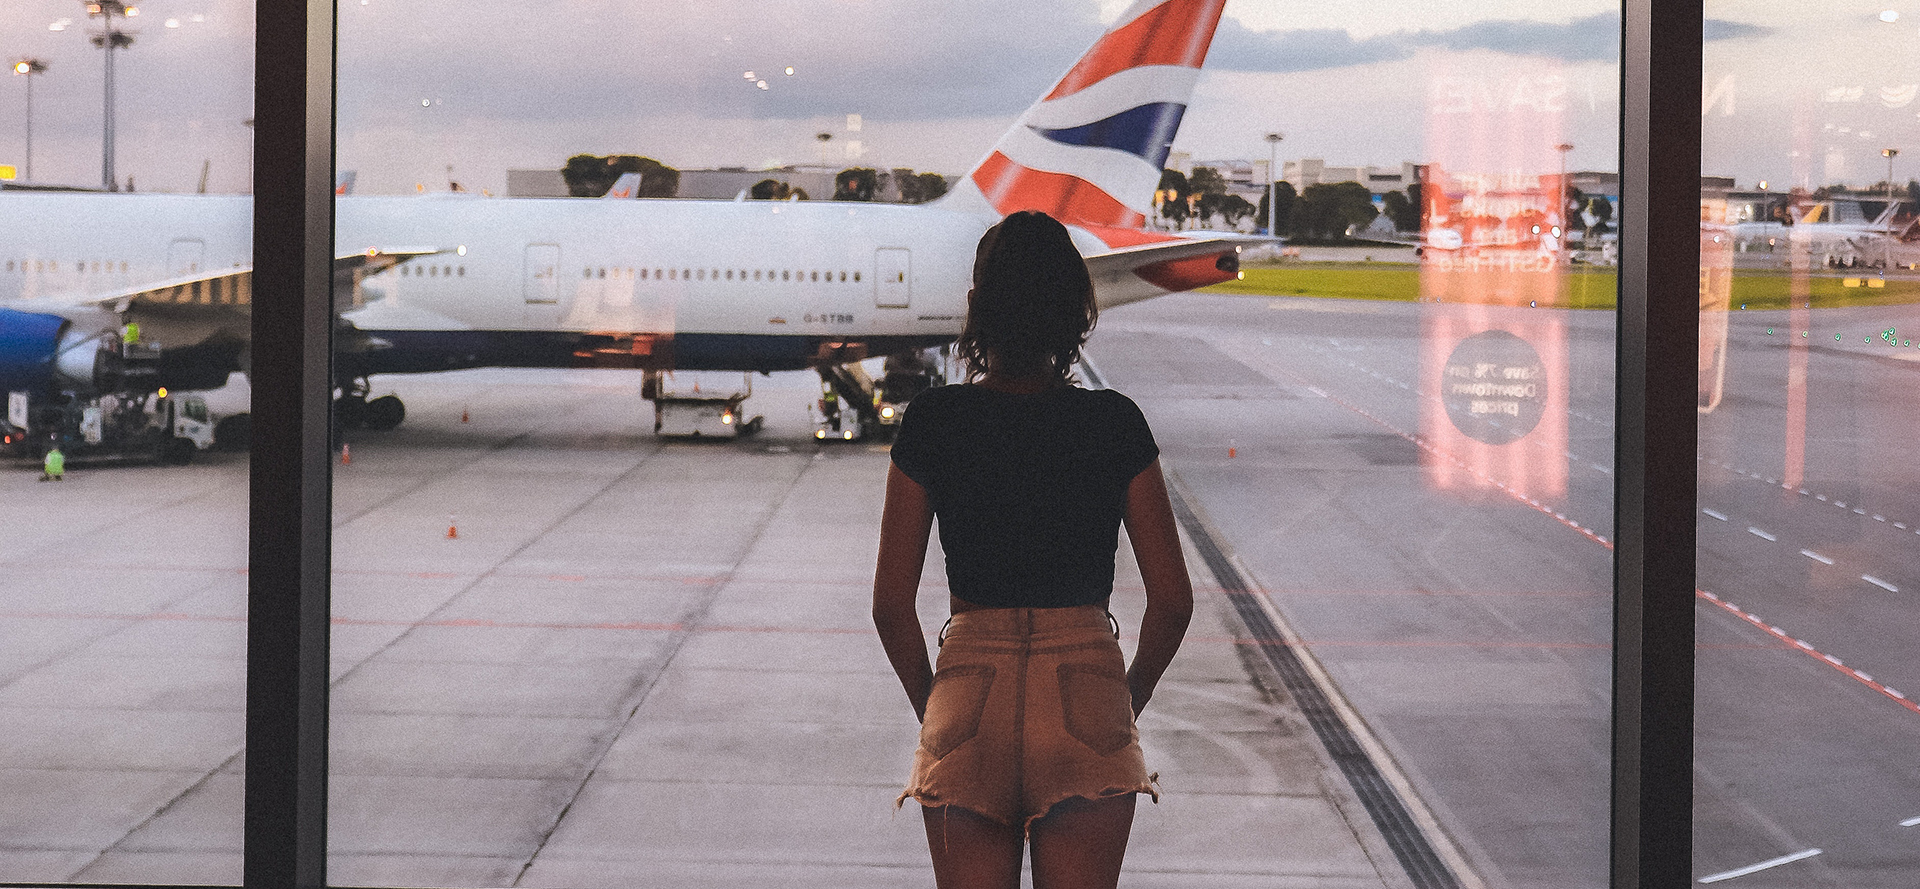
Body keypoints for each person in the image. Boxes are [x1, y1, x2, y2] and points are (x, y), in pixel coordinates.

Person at [873, 210, 1193, 889]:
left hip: (968, 688)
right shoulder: (1114, 423)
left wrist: (936, 704)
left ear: (976, 309)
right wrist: (1122, 701)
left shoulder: (934, 422)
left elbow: (891, 604)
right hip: (1086, 686)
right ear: (1075, 311)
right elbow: (1171, 600)